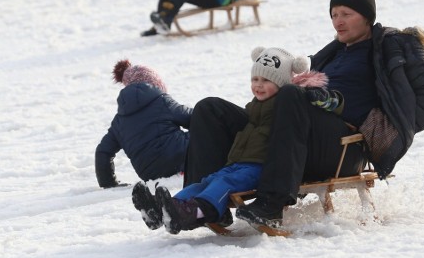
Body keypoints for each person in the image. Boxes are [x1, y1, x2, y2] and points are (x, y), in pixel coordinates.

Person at [182, 0, 424, 232]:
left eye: (346, 13)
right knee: (210, 109)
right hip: (295, 139)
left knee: (291, 94)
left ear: (367, 16)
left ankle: (272, 204)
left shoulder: (387, 47)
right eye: (334, 14)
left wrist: (391, 126)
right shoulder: (332, 53)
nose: (339, 21)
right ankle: (194, 204)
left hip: (342, 147)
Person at [132, 47, 342, 234]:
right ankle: (166, 209)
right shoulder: (254, 107)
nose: (258, 86)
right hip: (238, 163)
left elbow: (329, 106)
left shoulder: (286, 103)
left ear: (281, 83)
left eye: (266, 81)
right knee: (205, 182)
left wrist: (316, 95)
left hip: (257, 168)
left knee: (224, 183)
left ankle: (197, 211)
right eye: (255, 79)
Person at [95, 59, 193, 188]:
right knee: (207, 127)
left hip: (151, 174)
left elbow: (102, 151)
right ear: (154, 84)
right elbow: (194, 118)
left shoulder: (118, 122)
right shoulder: (162, 101)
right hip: (182, 158)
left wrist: (108, 183)